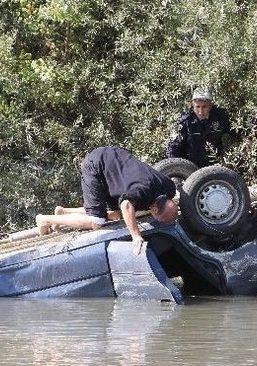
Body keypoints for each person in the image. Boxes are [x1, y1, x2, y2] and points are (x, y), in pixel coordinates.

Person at [36, 146, 179, 255]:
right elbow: (126, 205)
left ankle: (63, 212)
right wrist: (136, 236)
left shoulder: (169, 188)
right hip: (96, 165)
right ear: (154, 209)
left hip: (116, 160)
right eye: (159, 219)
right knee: (96, 221)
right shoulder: (141, 191)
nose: (159, 221)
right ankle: (46, 219)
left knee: (114, 214)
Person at [166, 88, 232, 167]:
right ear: (192, 105)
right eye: (197, 107)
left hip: (214, 167)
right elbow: (173, 148)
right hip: (189, 167)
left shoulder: (220, 117)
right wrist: (176, 169)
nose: (201, 112)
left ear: (210, 105)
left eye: (204, 107)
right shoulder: (185, 121)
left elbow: (237, 131)